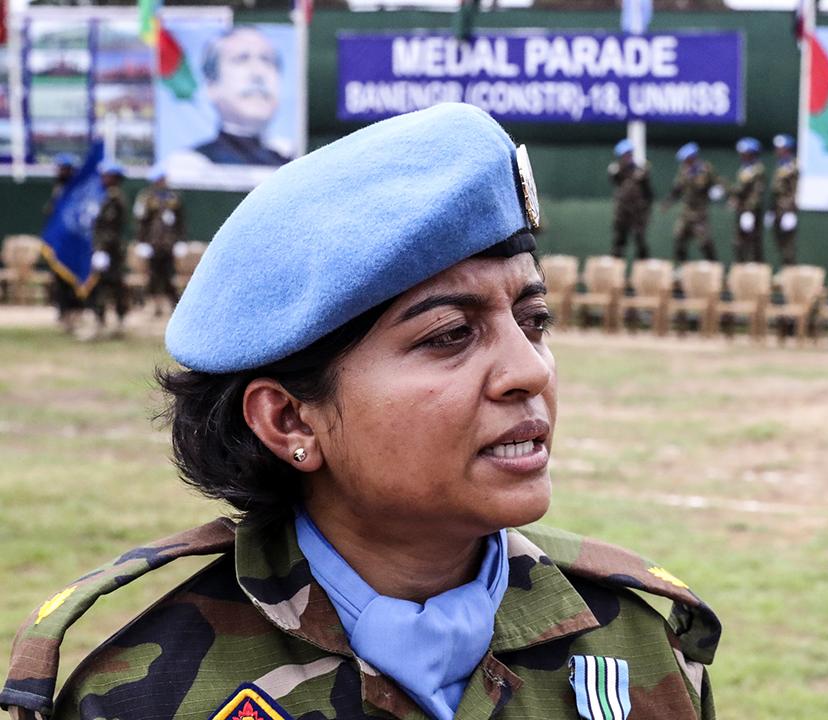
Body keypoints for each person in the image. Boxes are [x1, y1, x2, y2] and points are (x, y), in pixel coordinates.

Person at [1, 104, 719, 720]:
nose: (530, 370)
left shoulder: (639, 648)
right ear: (289, 420)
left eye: (533, 321)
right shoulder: (143, 695)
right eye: (450, 335)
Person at [194, 27, 289, 166]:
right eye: (241, 59)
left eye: (267, 60)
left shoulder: (292, 161)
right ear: (211, 85)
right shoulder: (191, 163)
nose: (258, 73)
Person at [133, 166, 185, 317]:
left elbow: (180, 222)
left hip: (169, 244)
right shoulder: (146, 198)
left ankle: (175, 307)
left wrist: (181, 241)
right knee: (153, 276)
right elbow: (142, 222)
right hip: (153, 243)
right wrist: (141, 242)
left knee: (169, 275)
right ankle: (155, 306)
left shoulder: (173, 198)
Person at [88, 162, 129, 337]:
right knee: (100, 284)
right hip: (103, 249)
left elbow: (109, 229)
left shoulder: (114, 198)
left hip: (111, 251)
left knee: (113, 284)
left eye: (107, 176)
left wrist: (101, 250)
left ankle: (117, 322)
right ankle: (100, 321)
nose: (104, 179)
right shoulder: (103, 196)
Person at [43, 153, 83, 331]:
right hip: (60, 244)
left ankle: (75, 313)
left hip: (74, 245)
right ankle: (63, 311)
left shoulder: (78, 190)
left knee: (73, 280)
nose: (61, 172)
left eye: (65, 169)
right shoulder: (58, 189)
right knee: (59, 279)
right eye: (60, 168)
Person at [665, 142, 722, 263]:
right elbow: (677, 188)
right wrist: (669, 201)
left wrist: (717, 192)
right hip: (686, 212)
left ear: (693, 157)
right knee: (679, 237)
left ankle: (714, 265)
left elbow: (717, 184)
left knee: (704, 242)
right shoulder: (684, 171)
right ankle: (681, 266)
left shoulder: (706, 170)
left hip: (700, 213)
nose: (685, 162)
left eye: (687, 159)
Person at [607, 138, 653, 260]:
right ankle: (615, 268)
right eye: (625, 155)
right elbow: (613, 176)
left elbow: (648, 192)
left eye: (629, 154)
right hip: (622, 211)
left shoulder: (640, 170)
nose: (628, 157)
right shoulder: (616, 170)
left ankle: (644, 267)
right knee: (619, 242)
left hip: (638, 212)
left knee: (640, 240)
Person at [728, 137, 765, 264]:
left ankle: (757, 268)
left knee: (753, 241)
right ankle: (741, 267)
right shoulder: (744, 169)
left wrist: (749, 210)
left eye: (745, 153)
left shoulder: (757, 170)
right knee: (739, 242)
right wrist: (734, 200)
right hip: (742, 210)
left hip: (751, 211)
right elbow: (740, 190)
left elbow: (756, 193)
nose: (742, 156)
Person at [769, 134, 800, 266]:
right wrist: (771, 210)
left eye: (780, 148)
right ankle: (785, 269)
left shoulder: (793, 166)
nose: (777, 151)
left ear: (788, 149)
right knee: (780, 242)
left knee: (788, 244)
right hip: (778, 209)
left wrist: (790, 211)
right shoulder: (780, 165)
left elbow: (795, 190)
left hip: (787, 209)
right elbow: (775, 191)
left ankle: (790, 271)